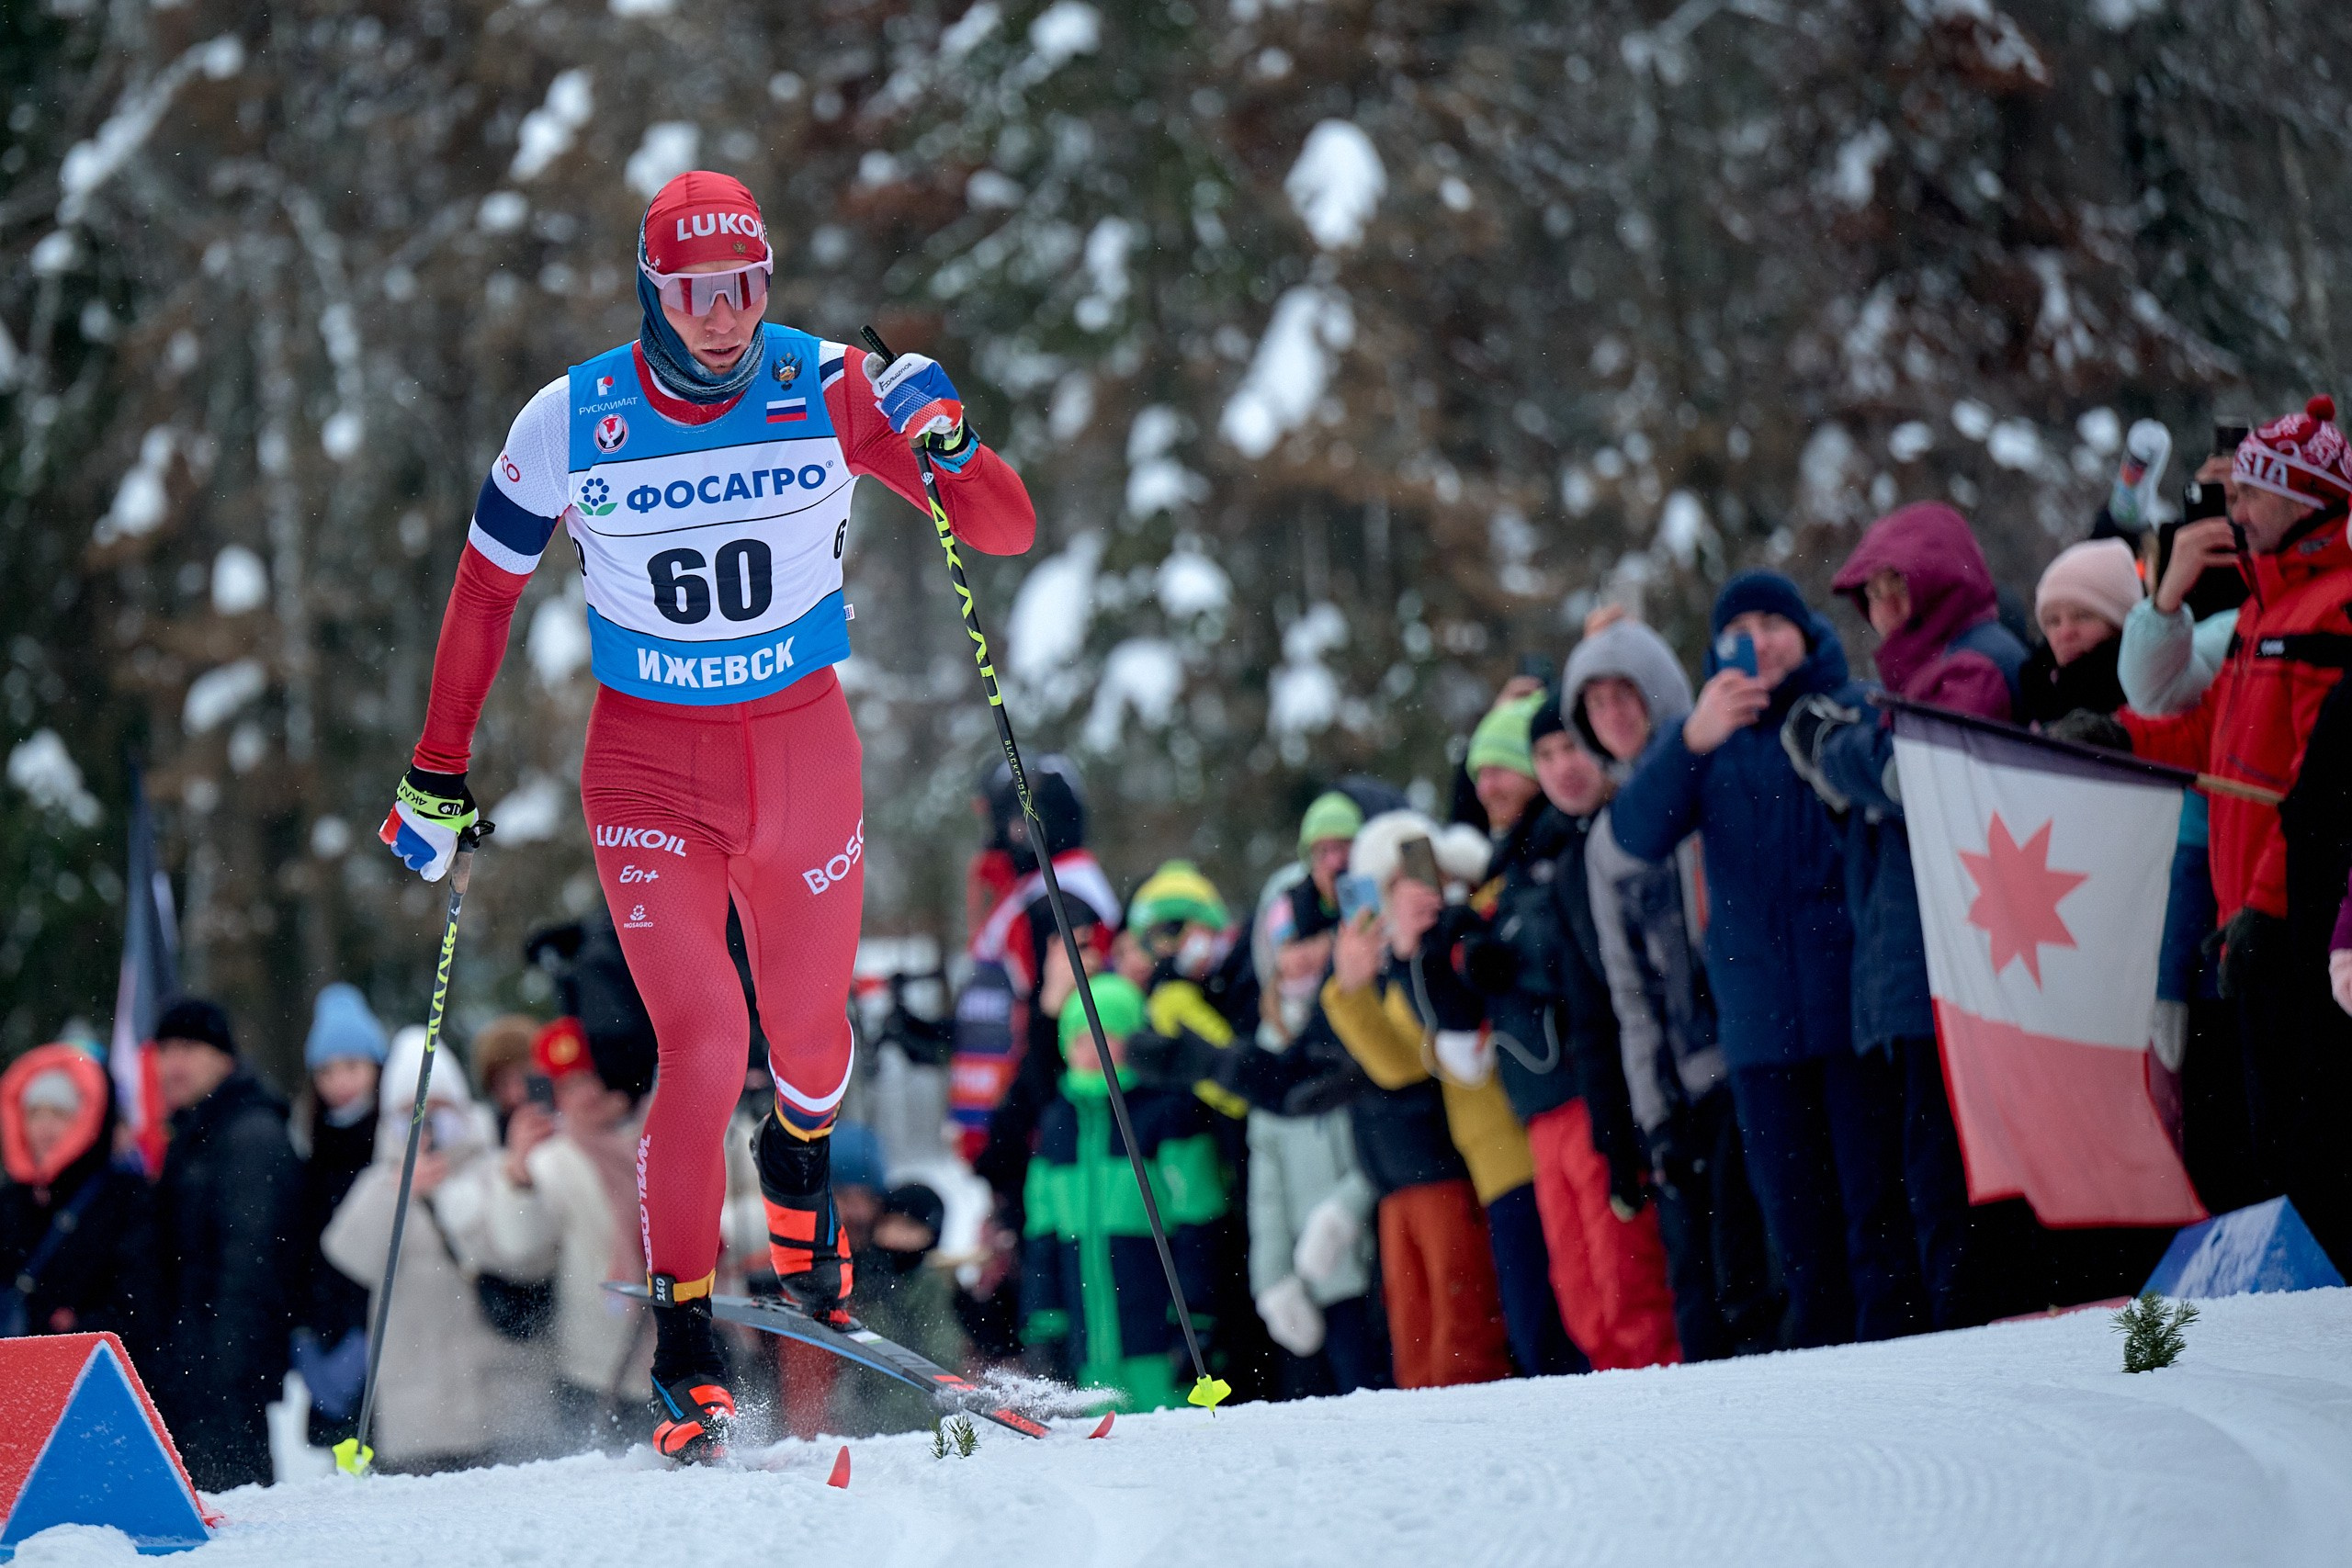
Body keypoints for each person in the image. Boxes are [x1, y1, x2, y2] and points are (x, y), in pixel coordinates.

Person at [377, 169, 1037, 1461]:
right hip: (647, 770)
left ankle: (799, 1166)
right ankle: (686, 1342)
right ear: (652, 289)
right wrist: (434, 767)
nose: (723, 317)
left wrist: (951, 440)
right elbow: (482, 587)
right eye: (694, 293)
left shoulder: (834, 385)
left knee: (809, 1050)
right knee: (700, 1034)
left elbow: (1002, 529)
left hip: (801, 757)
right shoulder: (572, 417)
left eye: (744, 288)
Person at [2064, 398, 2352, 1269]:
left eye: (2257, 494)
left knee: (2311, 1138)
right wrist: (2121, 735)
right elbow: (2207, 737)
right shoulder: (2267, 610)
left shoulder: (2336, 608)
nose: (2237, 510)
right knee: (2264, 1139)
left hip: (2301, 929)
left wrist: (2267, 909)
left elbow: (2320, 788)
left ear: (2305, 501)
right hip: (2249, 925)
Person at [1611, 572, 1914, 1349]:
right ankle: (1825, 1383)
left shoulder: (1849, 707)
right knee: (1798, 1232)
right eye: (1738, 625)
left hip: (1855, 1011)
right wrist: (1687, 740)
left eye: (1771, 621)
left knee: (1875, 1214)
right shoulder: (1705, 744)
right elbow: (1630, 840)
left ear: (1804, 630)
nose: (1758, 638)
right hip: (1757, 1034)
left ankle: (1902, 1368)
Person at [1781, 502, 2029, 1331]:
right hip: (1916, 970)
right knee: (1923, 1180)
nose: (1884, 608)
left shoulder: (1976, 665)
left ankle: (1974, 1338)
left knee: (1950, 1181)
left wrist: (1831, 752)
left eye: (1898, 587)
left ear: (1939, 581)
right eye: (1873, 593)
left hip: (1956, 967)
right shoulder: (1913, 680)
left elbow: (1907, 776)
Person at [1567, 617, 1780, 1360]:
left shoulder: (1712, 771)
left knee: (1762, 1270)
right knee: (1703, 1283)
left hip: (1754, 1045)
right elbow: (1629, 991)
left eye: (1625, 695)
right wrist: (1654, 1116)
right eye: (1596, 705)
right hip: (1685, 1084)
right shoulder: (1608, 840)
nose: (1614, 715)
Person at [1460, 694, 1677, 1371]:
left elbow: (1578, 961)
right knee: (1580, 1289)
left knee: (1625, 1276)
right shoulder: (1506, 863)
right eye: (1543, 754)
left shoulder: (1570, 840)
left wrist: (1507, 954)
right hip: (1538, 1101)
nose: (1492, 786)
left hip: (1588, 1086)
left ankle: (1668, 1417)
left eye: (1511, 766)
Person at [1321, 810, 1532, 1384]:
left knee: (1478, 1342)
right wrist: (1353, 989)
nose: (1405, 895)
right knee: (1426, 1348)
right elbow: (1397, 1061)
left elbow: (1427, 1057)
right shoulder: (1402, 959)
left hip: (1488, 1157)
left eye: (1410, 877)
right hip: (1460, 1165)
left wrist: (1420, 957)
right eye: (1388, 887)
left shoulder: (1468, 925)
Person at [2120, 504, 2254, 1211]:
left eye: (2241, 495)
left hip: (2273, 898)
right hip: (2225, 908)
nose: (2232, 516)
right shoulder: (2241, 630)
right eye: (2207, 496)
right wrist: (2166, 596)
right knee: (2230, 1128)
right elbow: (2173, 712)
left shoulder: (2294, 613)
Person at [323, 1027, 531, 1473]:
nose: (431, 1127)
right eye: (416, 1113)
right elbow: (347, 1256)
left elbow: (524, 1254)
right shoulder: (379, 1184)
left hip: (504, 1403)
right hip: (418, 1416)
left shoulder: (495, 1170)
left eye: (442, 1110)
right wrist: (394, 1195)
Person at [1021, 975, 1227, 1412]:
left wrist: (1197, 1320)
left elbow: (1199, 1224)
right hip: (1087, 1351)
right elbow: (1042, 1238)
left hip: (1161, 1343)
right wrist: (1045, 1327)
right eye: (1082, 1038)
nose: (1092, 1050)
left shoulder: (1166, 1114)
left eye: (1108, 1036)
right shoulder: (1057, 1126)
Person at [466, 1017, 654, 1453]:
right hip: (597, 1368)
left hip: (691, 1353)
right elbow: (521, 1251)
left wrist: (709, 1233)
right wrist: (518, 1176)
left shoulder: (670, 1136)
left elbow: (754, 1212)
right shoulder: (551, 1161)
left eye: (590, 1077)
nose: (585, 1094)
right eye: (567, 1086)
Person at [148, 997, 300, 1491]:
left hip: (224, 1378)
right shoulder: (192, 1134)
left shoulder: (249, 1133)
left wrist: (224, 1369)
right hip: (189, 1372)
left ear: (224, 1057)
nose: (174, 1063)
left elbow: (252, 1265)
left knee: (233, 1520)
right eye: (166, 1049)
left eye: (189, 1048)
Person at [0, 1043, 156, 1352]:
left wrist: (78, 1328)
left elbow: (139, 1301)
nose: (44, 1125)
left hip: (87, 1374)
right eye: (34, 1113)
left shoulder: (123, 1197)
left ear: (85, 1119)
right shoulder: (13, 1199)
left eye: (58, 1112)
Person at [289, 984, 388, 1450]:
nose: (339, 1080)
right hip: (330, 1324)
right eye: (326, 1070)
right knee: (348, 1464)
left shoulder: (392, 1140)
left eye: (351, 1065)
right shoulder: (311, 1147)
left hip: (381, 1327)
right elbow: (308, 1246)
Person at [828, 1181, 966, 1435]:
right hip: (858, 1411)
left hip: (912, 1412)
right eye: (888, 1223)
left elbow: (940, 1353)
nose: (894, 1233)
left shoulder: (930, 1284)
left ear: (929, 1235)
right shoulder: (859, 1272)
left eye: (908, 1226)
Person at [2015, 537, 2142, 728]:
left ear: (2119, 624)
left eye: (2083, 616)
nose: (2065, 633)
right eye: (2053, 621)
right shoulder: (2038, 692)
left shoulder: (2141, 702)